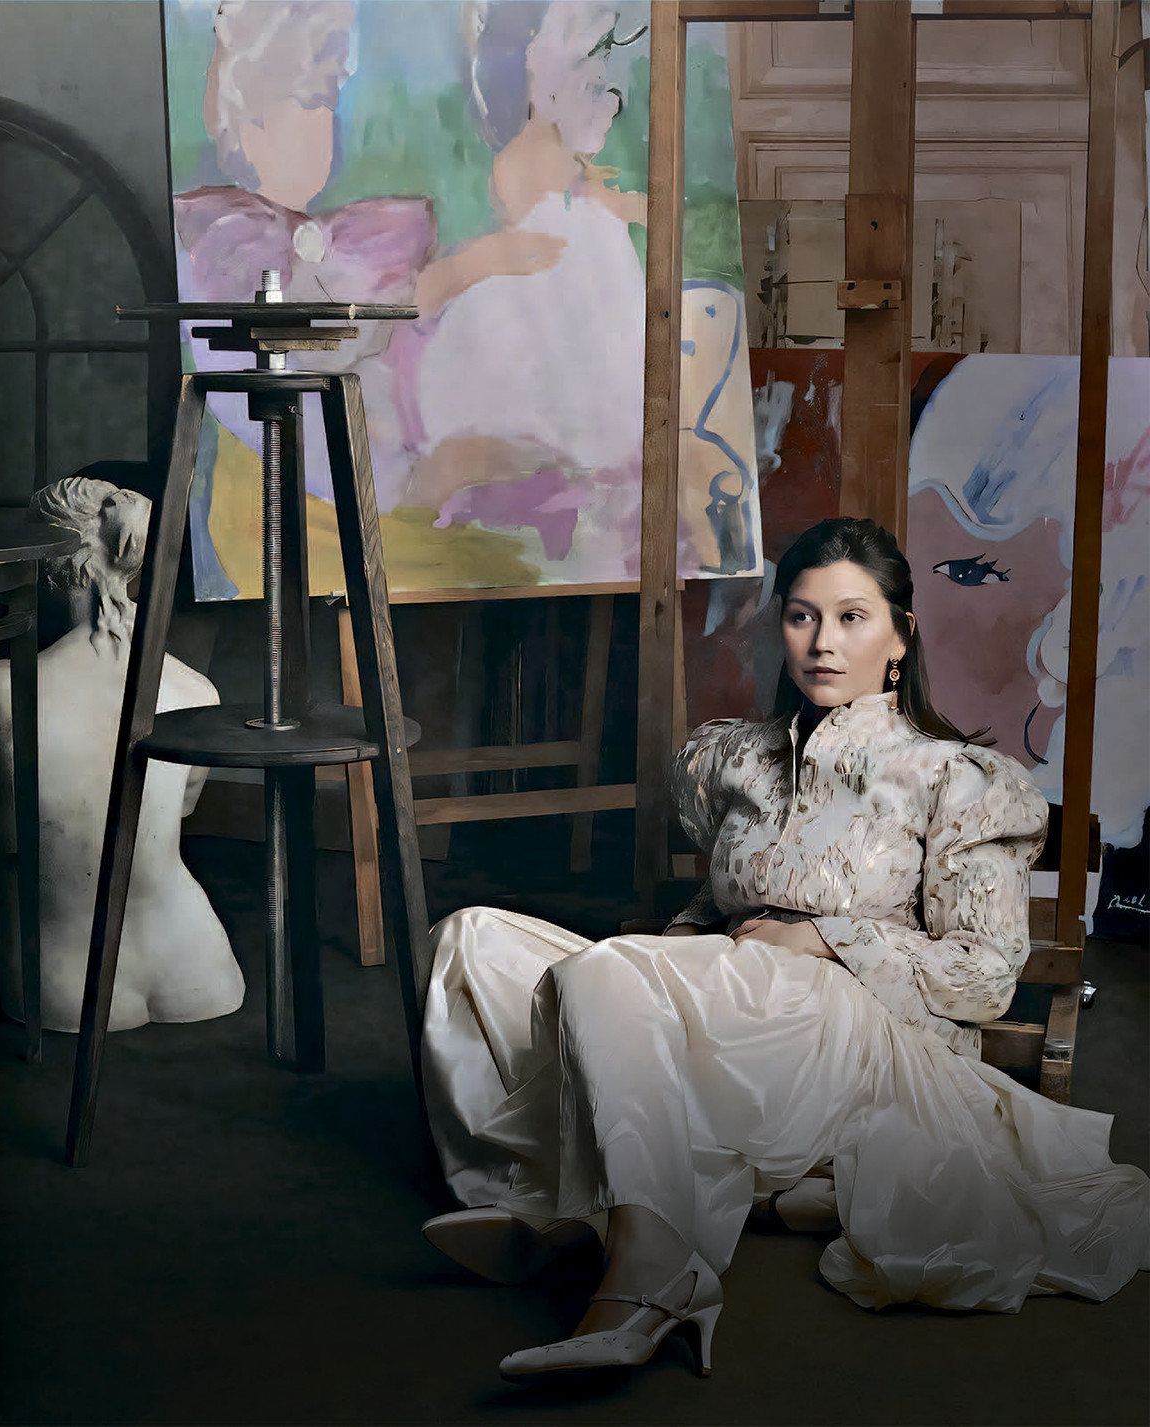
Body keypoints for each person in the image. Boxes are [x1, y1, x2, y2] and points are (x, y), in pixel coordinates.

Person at [418, 516, 1149, 1385]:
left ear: (900, 637)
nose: (822, 641)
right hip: (735, 997)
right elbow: (717, 904)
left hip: (851, 1027)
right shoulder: (733, 759)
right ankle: (570, 1204)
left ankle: (649, 1264)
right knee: (471, 942)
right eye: (803, 616)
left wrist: (826, 935)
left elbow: (987, 976)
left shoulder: (953, 778)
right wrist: (684, 956)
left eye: (851, 617)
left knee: (606, 970)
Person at [0, 476, 244, 1032]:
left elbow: (5, 840)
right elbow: (179, 812)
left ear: (45, 566)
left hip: (66, 968)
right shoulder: (196, 690)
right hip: (195, 957)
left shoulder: (0, 689)